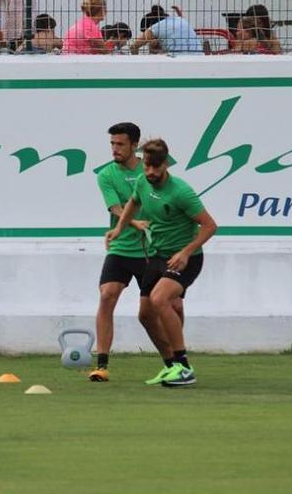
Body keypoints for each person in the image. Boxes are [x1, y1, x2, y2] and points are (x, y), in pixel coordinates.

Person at [106, 139, 217, 387]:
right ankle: (171, 366)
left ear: (166, 164)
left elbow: (210, 226)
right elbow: (134, 202)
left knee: (160, 299)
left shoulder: (181, 192)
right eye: (146, 166)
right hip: (157, 256)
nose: (150, 172)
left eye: (156, 167)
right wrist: (119, 229)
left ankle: (185, 368)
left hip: (184, 259)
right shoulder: (143, 183)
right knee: (145, 315)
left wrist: (186, 252)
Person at [90, 123, 175, 382]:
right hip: (120, 248)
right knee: (107, 295)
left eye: (120, 144)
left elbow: (165, 199)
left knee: (149, 314)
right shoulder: (105, 175)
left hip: (151, 251)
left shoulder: (151, 170)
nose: (115, 149)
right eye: (112, 144)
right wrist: (133, 222)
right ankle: (102, 365)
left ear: (134, 145)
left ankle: (174, 363)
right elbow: (115, 208)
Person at [130, 5, 203, 55]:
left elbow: (133, 46)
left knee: (153, 47)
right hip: (199, 58)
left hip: (178, 62)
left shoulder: (155, 28)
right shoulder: (179, 20)